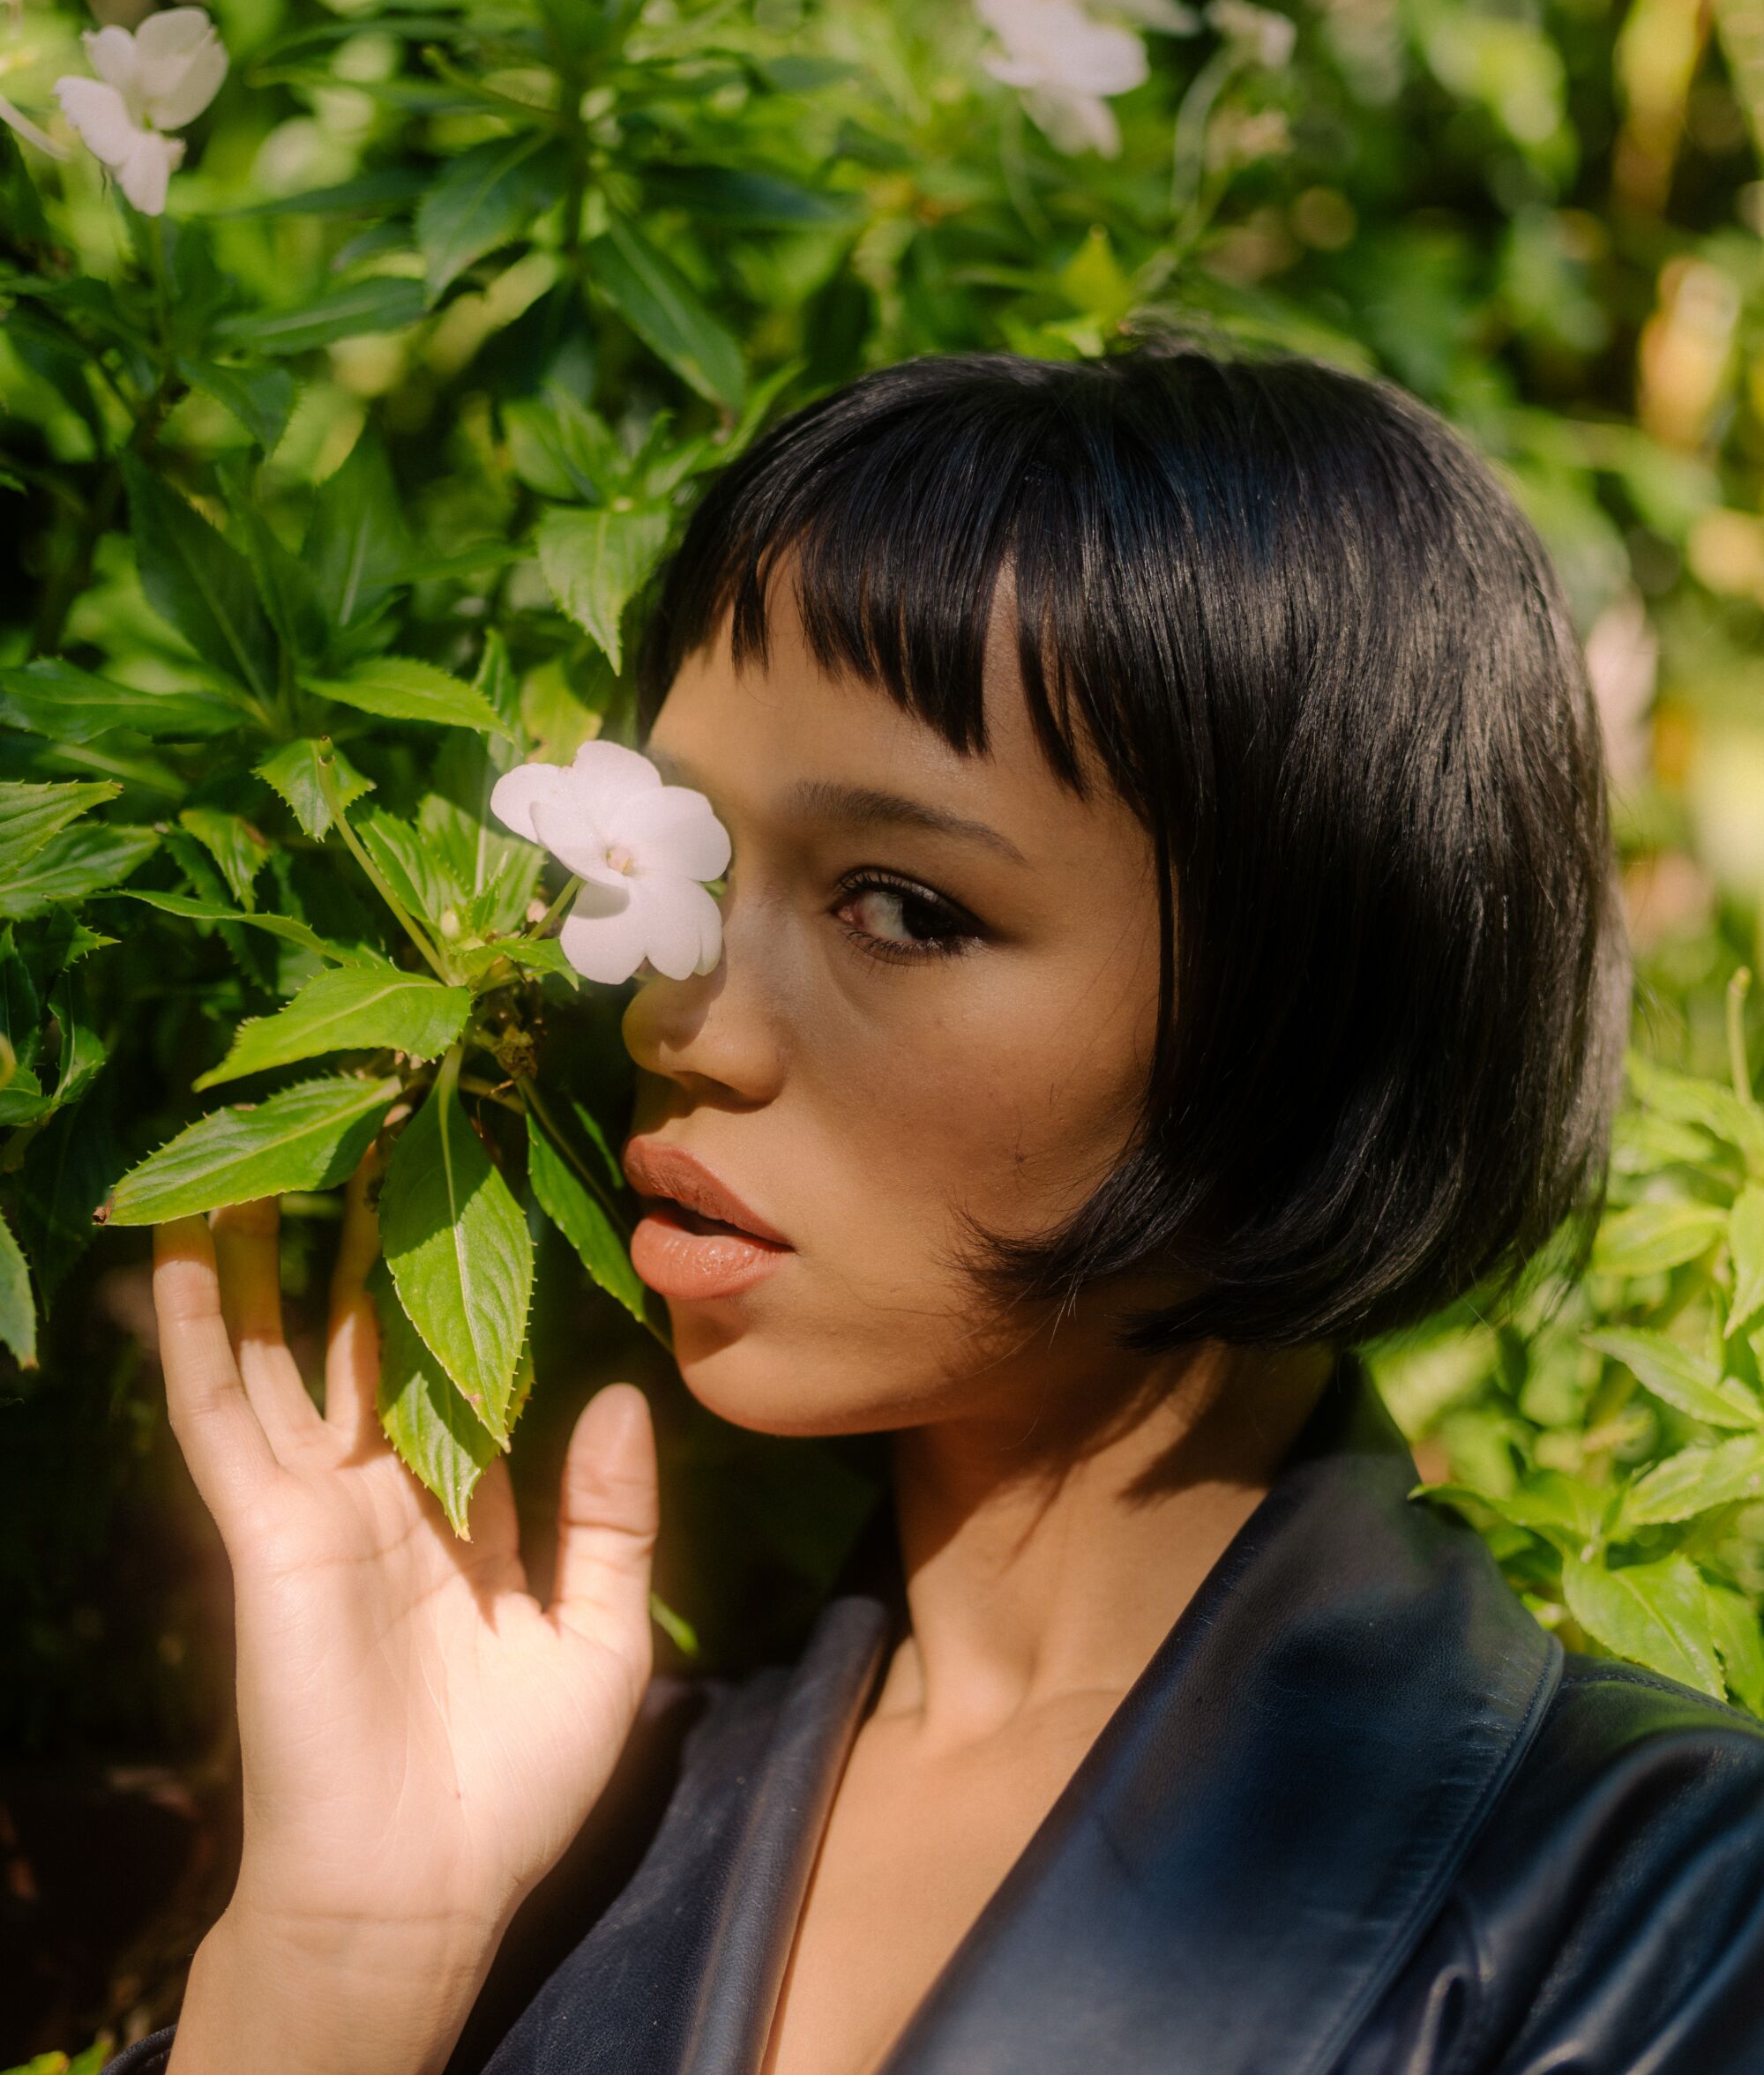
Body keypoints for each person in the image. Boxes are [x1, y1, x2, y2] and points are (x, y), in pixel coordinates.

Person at [109, 348, 1764, 2075]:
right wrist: (337, 1963)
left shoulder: (1664, 1909)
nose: (684, 1022)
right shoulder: (537, 1823)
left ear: (1315, 1006)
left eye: (903, 905)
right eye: (693, 868)